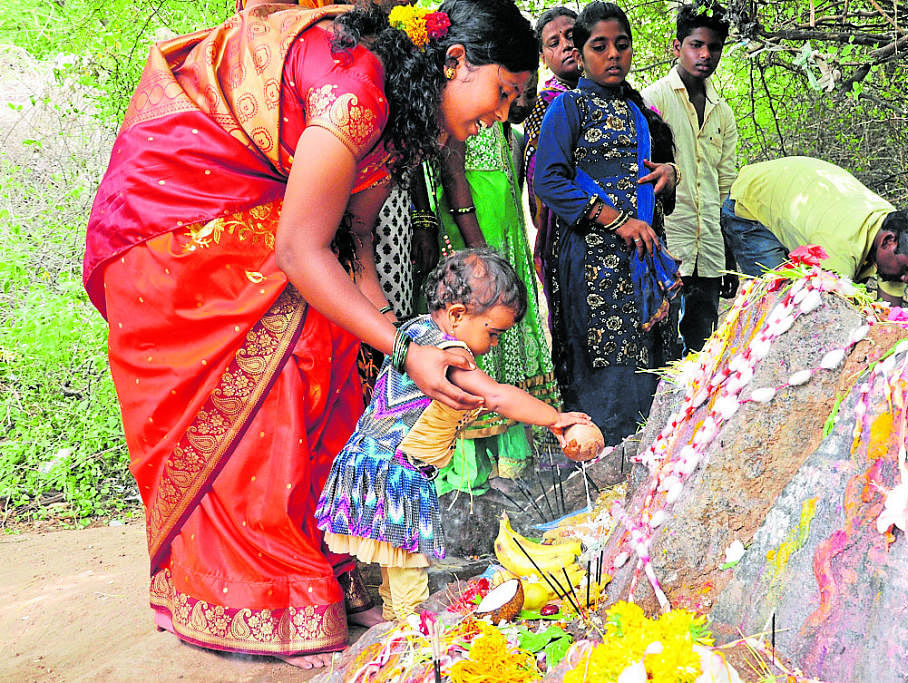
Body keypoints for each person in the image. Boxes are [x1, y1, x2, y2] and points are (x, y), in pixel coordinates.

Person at [83, 0, 536, 668]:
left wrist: (379, 325)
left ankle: (328, 567)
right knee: (292, 354)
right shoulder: (356, 86)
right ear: (455, 61)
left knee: (338, 356)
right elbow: (299, 251)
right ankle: (265, 593)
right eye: (502, 94)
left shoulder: (403, 111)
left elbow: (350, 234)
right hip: (176, 214)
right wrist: (405, 347)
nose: (498, 116)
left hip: (265, 213)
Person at [315, 249, 592, 621]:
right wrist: (555, 418)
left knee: (394, 564)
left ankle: (395, 623)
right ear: (458, 315)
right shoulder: (447, 354)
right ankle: (412, 640)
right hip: (395, 475)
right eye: (493, 333)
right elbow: (496, 396)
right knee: (409, 571)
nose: (493, 345)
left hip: (370, 462)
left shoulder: (413, 332)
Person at [533, 1, 682, 444]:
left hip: (639, 259)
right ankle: (596, 460)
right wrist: (616, 221)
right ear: (580, 53)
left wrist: (668, 176)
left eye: (622, 45)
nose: (613, 55)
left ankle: (640, 459)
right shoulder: (568, 109)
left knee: (645, 357)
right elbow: (548, 181)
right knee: (601, 361)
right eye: (600, 46)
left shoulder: (639, 113)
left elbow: (657, 187)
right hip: (591, 261)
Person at [434, 92, 560, 492]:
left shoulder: (508, 128)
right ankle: (467, 469)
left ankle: (506, 456)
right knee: (475, 328)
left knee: (499, 325)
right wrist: (479, 251)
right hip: (473, 233)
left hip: (503, 231)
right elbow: (453, 172)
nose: (510, 101)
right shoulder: (461, 108)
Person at [721, 156, 908, 305]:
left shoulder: (896, 230)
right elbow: (828, 314)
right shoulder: (839, 248)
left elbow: (889, 312)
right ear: (888, 241)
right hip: (752, 202)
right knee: (779, 303)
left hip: (799, 197)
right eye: (907, 270)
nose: (907, 278)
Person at [643, 2, 738, 352]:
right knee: (664, 345)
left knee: (703, 347)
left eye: (713, 47)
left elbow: (726, 186)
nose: (705, 54)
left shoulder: (722, 112)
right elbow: (645, 174)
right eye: (696, 45)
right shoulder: (655, 99)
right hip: (670, 245)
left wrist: (729, 256)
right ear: (677, 47)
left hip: (710, 248)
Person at [522, 6, 582, 285]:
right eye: (554, 43)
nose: (567, 45)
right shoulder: (545, 104)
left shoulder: (613, 93)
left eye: (571, 35)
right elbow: (540, 178)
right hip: (568, 229)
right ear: (544, 59)